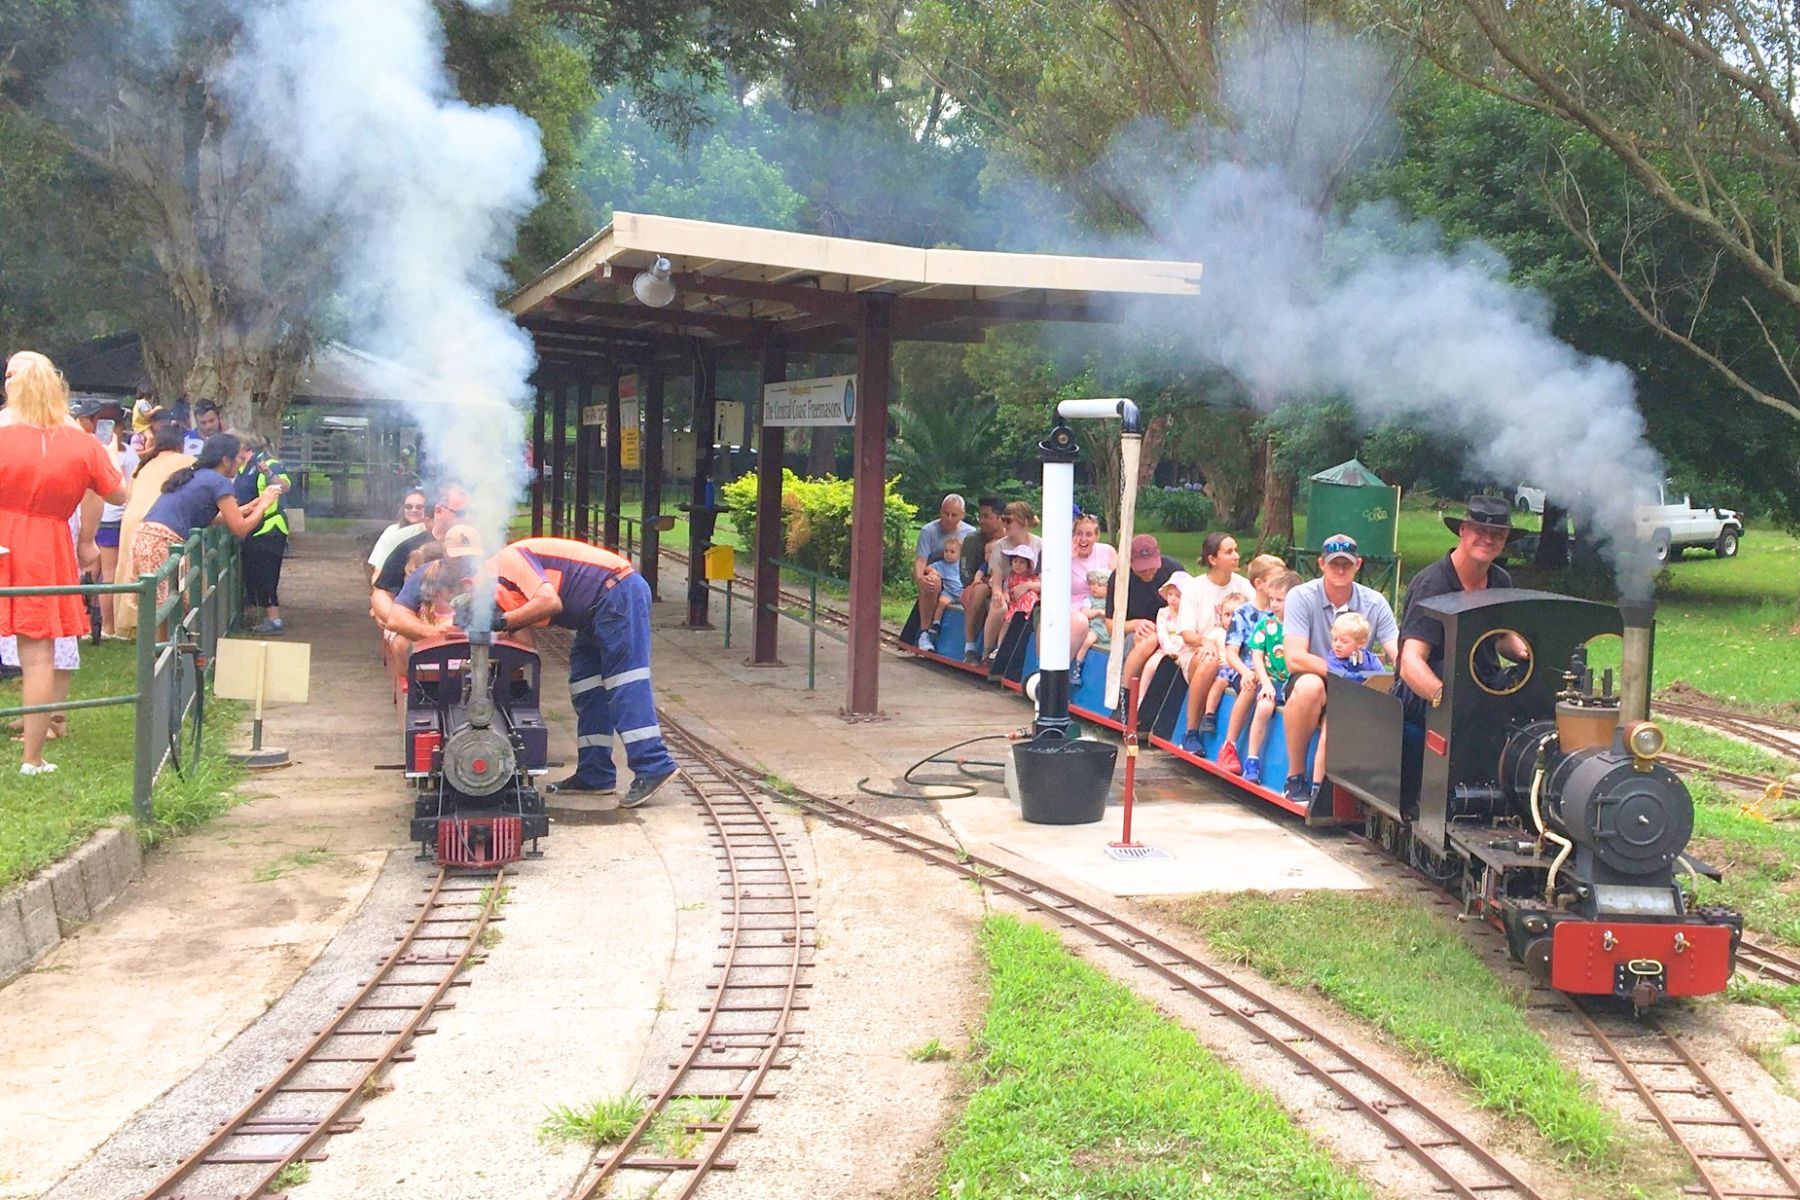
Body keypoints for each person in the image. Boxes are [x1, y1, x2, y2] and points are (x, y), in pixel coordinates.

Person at [387, 536, 679, 807]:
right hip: (593, 613)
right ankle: (595, 774)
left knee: (623, 682)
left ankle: (653, 764)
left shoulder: (510, 560)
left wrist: (501, 622)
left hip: (617, 593)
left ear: (468, 583)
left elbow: (550, 602)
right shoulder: (495, 585)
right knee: (587, 690)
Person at [0, 352, 128, 775]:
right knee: (39, 659)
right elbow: (118, 494)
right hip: (47, 549)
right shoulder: (79, 442)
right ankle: (32, 759)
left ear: (9, 385)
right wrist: (108, 454)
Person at [1280, 533, 1401, 807]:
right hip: (1317, 680)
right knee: (1309, 687)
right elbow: (1295, 658)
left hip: (1357, 687)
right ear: (1321, 564)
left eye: (1347, 564)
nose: (1340, 570)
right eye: (1334, 564)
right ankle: (1295, 773)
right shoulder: (1301, 596)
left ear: (1358, 564)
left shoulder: (1374, 602)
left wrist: (1408, 671)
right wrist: (1340, 675)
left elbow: (1396, 652)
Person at [1394, 495, 1528, 723]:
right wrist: (1444, 699)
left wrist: (1530, 656)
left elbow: (1503, 638)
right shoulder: (1431, 584)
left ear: (1505, 539)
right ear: (1463, 530)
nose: (1488, 539)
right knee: (1452, 672)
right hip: (1421, 695)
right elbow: (1411, 663)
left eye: (1497, 534)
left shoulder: (1501, 580)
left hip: (1483, 683)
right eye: (1480, 530)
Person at [130, 434, 281, 631]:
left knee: (167, 608)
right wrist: (265, 505)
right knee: (167, 610)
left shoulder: (196, 474)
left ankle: (165, 656)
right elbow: (240, 529)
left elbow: (210, 517)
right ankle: (160, 657)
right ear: (226, 460)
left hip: (146, 537)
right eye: (238, 458)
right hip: (161, 542)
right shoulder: (219, 482)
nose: (239, 463)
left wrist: (254, 504)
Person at [1178, 533, 1252, 753]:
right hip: (1197, 652)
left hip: (1235, 655)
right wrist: (1205, 641)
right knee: (1209, 661)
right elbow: (1186, 633)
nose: (1236, 555)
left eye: (1236, 550)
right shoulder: (1195, 587)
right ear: (1213, 559)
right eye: (1229, 552)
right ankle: (1191, 732)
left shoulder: (1244, 586)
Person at [1216, 553, 1286, 776]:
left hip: (1276, 672)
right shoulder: (1243, 613)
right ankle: (1229, 745)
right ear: (1259, 584)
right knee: (1251, 682)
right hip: (1246, 670)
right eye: (1277, 580)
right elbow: (1231, 652)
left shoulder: (1283, 614)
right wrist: (1245, 671)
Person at [1103, 533, 1184, 711]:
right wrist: (1135, 624)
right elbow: (1110, 626)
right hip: (1137, 634)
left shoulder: (1173, 570)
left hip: (1171, 630)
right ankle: (1124, 698)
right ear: (1130, 562)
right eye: (1141, 569)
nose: (1148, 573)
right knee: (1149, 640)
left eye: (1151, 568)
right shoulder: (1120, 578)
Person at [1244, 571, 1302, 785]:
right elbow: (1257, 655)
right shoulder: (1266, 625)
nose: (1274, 604)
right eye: (1272, 599)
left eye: (1280, 600)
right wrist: (1266, 682)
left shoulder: (1302, 626)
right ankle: (1252, 759)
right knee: (1264, 708)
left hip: (1295, 683)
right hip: (1273, 681)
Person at [970, 502, 1044, 662]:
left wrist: (1026, 586)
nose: (1004, 524)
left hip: (1032, 594)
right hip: (1007, 590)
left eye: (1008, 521)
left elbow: (1045, 582)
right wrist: (998, 594)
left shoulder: (1039, 545)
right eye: (1003, 520)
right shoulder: (1000, 546)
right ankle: (988, 653)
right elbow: (996, 580)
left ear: (1023, 522)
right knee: (999, 607)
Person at [235, 435, 292, 636]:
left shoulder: (270, 464)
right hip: (251, 528)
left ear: (243, 446)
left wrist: (268, 473)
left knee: (267, 574)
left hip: (270, 528)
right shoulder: (240, 468)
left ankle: (274, 619)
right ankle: (262, 616)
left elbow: (284, 487)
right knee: (254, 573)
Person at [913, 494, 974, 649]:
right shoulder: (929, 531)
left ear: (962, 515)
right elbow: (921, 560)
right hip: (936, 574)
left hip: (961, 578)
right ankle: (925, 633)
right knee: (931, 582)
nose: (949, 518)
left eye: (954, 515)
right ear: (940, 511)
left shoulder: (970, 533)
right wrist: (920, 579)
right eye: (945, 513)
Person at [1067, 512, 1118, 656]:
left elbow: (1118, 585)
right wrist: (1069, 559)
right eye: (1079, 534)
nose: (1083, 539)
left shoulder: (1107, 551)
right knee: (1080, 621)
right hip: (1075, 607)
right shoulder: (1065, 553)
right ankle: (1066, 667)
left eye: (1088, 534)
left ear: (1096, 536)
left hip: (1102, 605)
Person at [916, 533, 965, 654]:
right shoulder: (940, 565)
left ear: (959, 554)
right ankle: (936, 623)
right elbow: (927, 568)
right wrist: (932, 572)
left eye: (952, 552)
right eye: (946, 551)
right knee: (942, 602)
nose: (948, 554)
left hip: (961, 591)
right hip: (949, 592)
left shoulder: (961, 565)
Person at [369, 489, 429, 584]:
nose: (413, 510)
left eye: (419, 507)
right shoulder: (392, 531)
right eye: (409, 507)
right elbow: (378, 568)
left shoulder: (431, 533)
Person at [1071, 569, 1112, 687]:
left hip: (1108, 629)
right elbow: (1085, 612)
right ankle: (1077, 667)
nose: (1094, 588)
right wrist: (1098, 612)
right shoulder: (1090, 600)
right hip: (1096, 628)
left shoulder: (1111, 601)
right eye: (1092, 584)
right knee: (1087, 640)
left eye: (1099, 585)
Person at [1327, 612, 1383, 682]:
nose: (1337, 644)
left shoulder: (1370, 659)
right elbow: (1342, 679)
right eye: (1334, 639)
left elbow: (1382, 678)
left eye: (1344, 641)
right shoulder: (1333, 660)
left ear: (1360, 643)